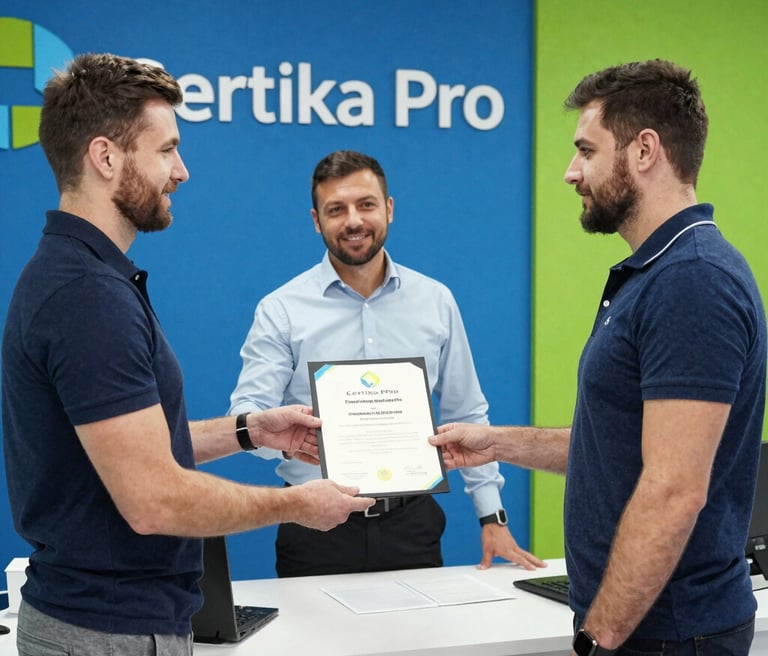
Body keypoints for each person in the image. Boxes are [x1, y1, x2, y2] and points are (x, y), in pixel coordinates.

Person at [1, 53, 374, 656]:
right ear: (105, 157)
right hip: (107, 634)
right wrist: (296, 504)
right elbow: (154, 499)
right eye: (167, 149)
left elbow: (134, 448)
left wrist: (252, 431)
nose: (182, 171)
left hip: (104, 626)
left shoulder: (81, 277)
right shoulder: (86, 296)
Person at [430, 59, 766, 655]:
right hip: (648, 630)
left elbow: (673, 489)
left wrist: (597, 637)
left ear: (644, 150)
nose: (571, 172)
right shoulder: (659, 273)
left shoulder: (691, 281)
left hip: (665, 634)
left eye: (586, 151)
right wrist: (497, 443)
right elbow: (620, 447)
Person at [228, 149, 544, 577]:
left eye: (366, 204)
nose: (353, 220)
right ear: (316, 220)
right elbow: (245, 414)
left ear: (389, 209)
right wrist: (283, 442)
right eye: (336, 209)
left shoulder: (435, 301)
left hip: (412, 524)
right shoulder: (281, 310)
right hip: (314, 524)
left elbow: (468, 413)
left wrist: (493, 517)